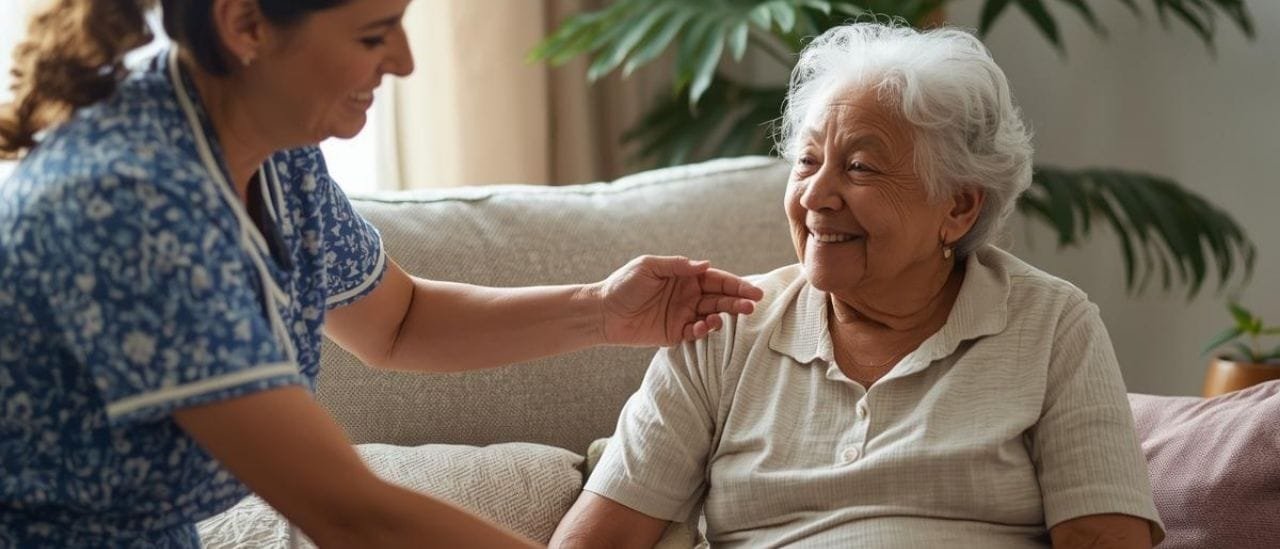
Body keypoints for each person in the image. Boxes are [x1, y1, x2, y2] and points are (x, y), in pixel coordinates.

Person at [0, 0, 765, 546]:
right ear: (246, 24)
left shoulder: (274, 151)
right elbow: (351, 513)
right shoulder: (129, 208)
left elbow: (397, 321)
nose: (403, 61)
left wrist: (601, 311)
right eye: (375, 33)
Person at [551, 22, 1164, 549]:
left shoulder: (1052, 323)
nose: (816, 195)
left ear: (958, 207)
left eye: (860, 167)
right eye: (808, 161)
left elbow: (1105, 539)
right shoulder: (724, 328)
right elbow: (596, 538)